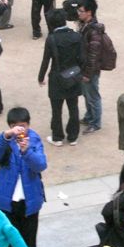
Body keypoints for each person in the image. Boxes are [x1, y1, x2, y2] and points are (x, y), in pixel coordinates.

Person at [0, 107, 47, 247]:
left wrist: (26, 151)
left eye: (23, 126)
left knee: (29, 244)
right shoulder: (6, 141)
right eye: (15, 126)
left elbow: (41, 165)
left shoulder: (34, 140)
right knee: (9, 243)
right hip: (7, 202)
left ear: (28, 125)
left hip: (29, 202)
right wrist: (6, 136)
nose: (20, 130)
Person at [38, 8, 84, 146]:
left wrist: (41, 77)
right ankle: (73, 136)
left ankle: (57, 137)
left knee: (56, 110)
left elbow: (46, 60)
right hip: (73, 76)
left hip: (57, 78)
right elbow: (82, 58)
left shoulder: (51, 39)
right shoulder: (77, 36)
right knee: (73, 107)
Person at [77, 0, 105, 134]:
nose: (78, 13)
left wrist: (87, 74)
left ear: (89, 12)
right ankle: (89, 117)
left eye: (81, 11)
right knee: (87, 95)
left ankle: (95, 122)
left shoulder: (93, 31)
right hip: (85, 68)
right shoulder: (85, 25)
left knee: (93, 96)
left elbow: (93, 56)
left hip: (90, 70)